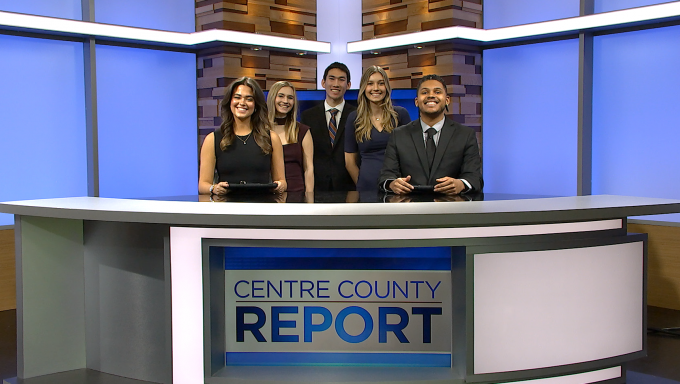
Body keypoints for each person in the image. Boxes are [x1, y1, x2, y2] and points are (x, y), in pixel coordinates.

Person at [378, 74, 483, 194]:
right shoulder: (399, 135)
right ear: (417, 102)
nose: (431, 96)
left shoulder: (465, 135)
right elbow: (386, 176)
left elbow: (475, 178)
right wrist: (392, 184)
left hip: (451, 207)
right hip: (410, 206)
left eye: (437, 92)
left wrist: (460, 184)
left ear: (447, 100)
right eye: (425, 92)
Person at [199, 77, 286, 195]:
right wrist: (213, 188)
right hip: (227, 207)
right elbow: (203, 184)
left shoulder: (271, 138)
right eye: (237, 97)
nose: (242, 103)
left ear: (256, 105)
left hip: (261, 205)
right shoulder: (212, 139)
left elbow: (282, 181)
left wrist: (280, 185)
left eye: (249, 99)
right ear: (230, 101)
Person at [344, 66, 411, 192]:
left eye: (381, 83)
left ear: (386, 87)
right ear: (364, 88)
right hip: (366, 186)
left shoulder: (400, 115)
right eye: (370, 84)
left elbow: (411, 155)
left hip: (397, 186)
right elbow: (349, 161)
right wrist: (361, 183)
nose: (375, 88)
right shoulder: (354, 118)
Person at [301, 62, 357, 192]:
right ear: (323, 83)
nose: (336, 84)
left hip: (349, 188)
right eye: (331, 78)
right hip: (317, 187)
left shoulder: (357, 115)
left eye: (341, 79)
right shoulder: (308, 116)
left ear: (348, 85)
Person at [267, 81, 314, 193]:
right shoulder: (260, 131)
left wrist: (310, 201)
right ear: (272, 98)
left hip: (296, 193)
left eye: (290, 97)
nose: (285, 101)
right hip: (266, 192)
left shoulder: (302, 131)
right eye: (281, 96)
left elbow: (309, 170)